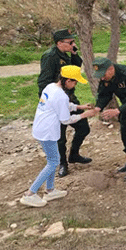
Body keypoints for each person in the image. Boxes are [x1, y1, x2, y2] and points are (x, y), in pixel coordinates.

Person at [20, 66, 96, 207]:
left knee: (52, 160)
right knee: (53, 162)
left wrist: (80, 107)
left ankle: (50, 190)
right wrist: (85, 115)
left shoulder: (51, 87)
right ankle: (30, 194)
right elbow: (65, 120)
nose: (75, 85)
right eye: (75, 82)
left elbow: (64, 105)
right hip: (47, 132)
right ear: (68, 80)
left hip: (41, 128)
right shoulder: (61, 95)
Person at [37, 29, 92, 178]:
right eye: (70, 42)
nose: (73, 44)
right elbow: (43, 82)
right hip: (56, 102)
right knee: (59, 137)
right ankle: (63, 164)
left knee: (83, 128)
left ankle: (74, 155)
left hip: (70, 99)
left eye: (73, 42)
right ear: (59, 43)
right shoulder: (50, 57)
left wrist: (74, 54)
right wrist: (50, 101)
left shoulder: (66, 54)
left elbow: (76, 70)